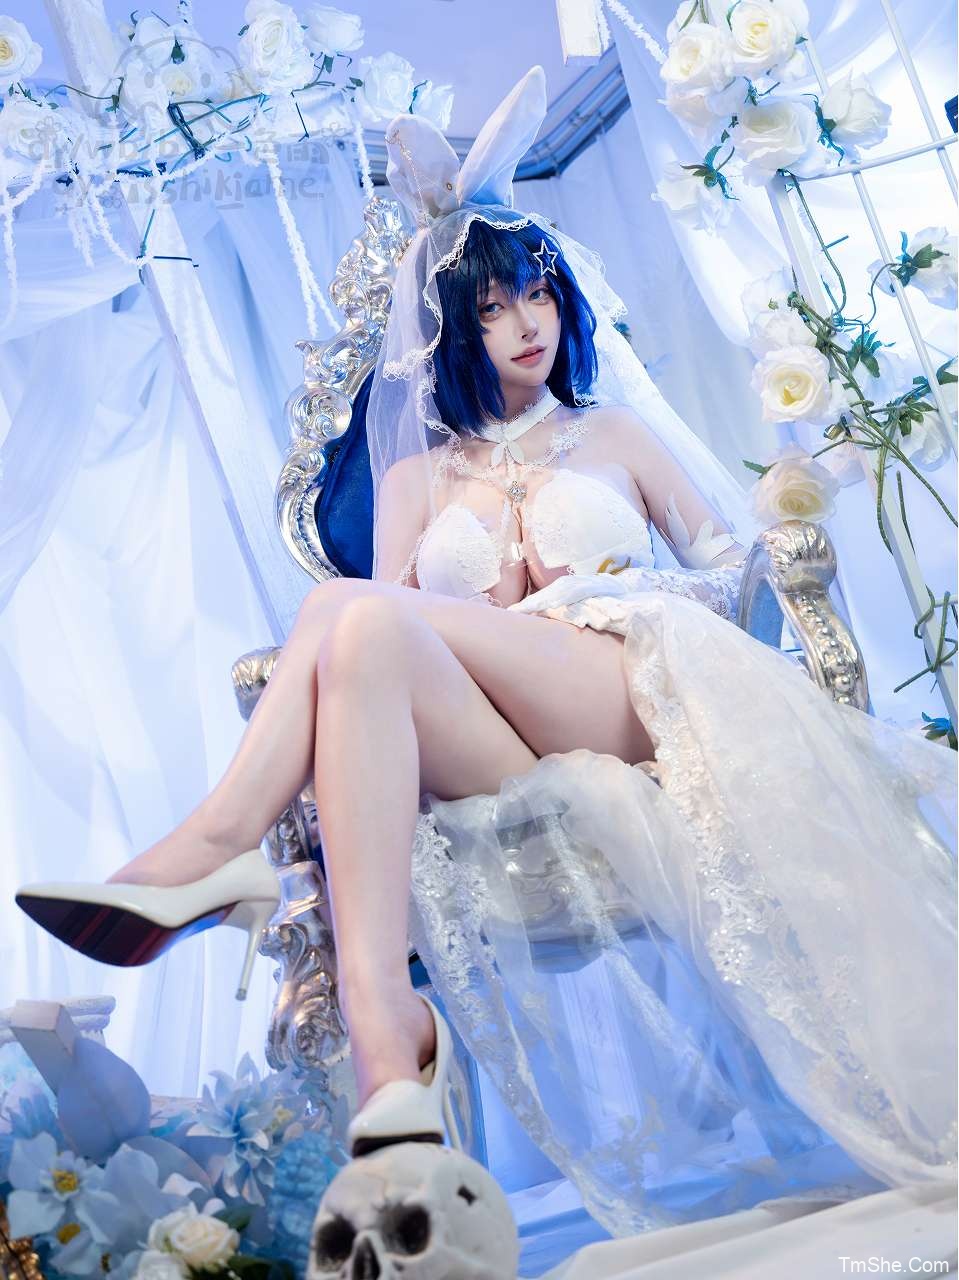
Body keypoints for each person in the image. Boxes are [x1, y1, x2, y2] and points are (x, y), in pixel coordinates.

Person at [16, 67, 957, 1236]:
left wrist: (608, 590)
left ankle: (218, 845)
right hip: (501, 749)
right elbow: (381, 647)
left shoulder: (614, 433)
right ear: (451, 333)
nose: (525, 323)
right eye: (493, 308)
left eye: (537, 294)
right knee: (357, 622)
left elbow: (731, 571)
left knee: (344, 609)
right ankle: (383, 1033)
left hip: (621, 686)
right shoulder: (416, 475)